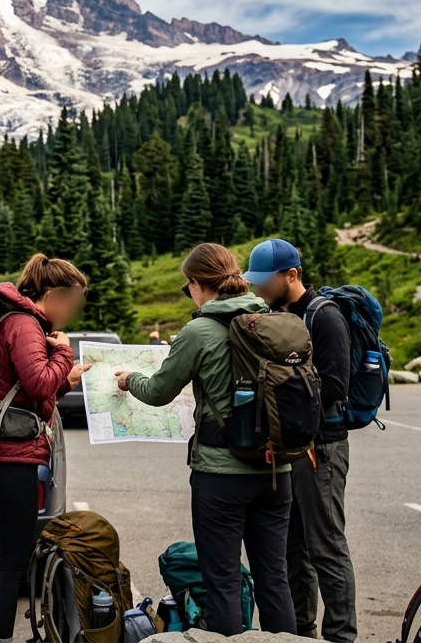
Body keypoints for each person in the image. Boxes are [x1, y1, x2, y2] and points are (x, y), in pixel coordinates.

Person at [115, 243, 296, 636]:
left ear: (197, 284)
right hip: (276, 469)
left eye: (188, 288)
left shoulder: (198, 331)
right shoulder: (275, 320)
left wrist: (131, 380)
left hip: (221, 473)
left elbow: (159, 391)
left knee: (224, 582)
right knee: (274, 578)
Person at [0, 253, 90, 643]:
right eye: (71, 302)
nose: (71, 312)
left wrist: (65, 379)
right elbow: (38, 383)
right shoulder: (24, 324)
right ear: (52, 294)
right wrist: (64, 352)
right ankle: (0, 639)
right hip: (10, 457)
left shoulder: (15, 320)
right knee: (11, 563)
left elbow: (25, 391)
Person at [244, 238, 357, 643]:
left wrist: (278, 385)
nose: (257, 288)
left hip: (322, 447)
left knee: (325, 545)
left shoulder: (324, 317)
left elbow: (335, 385)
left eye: (264, 280)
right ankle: (301, 634)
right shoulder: (274, 313)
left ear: (291, 275)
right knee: (292, 549)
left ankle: (341, 637)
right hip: (289, 449)